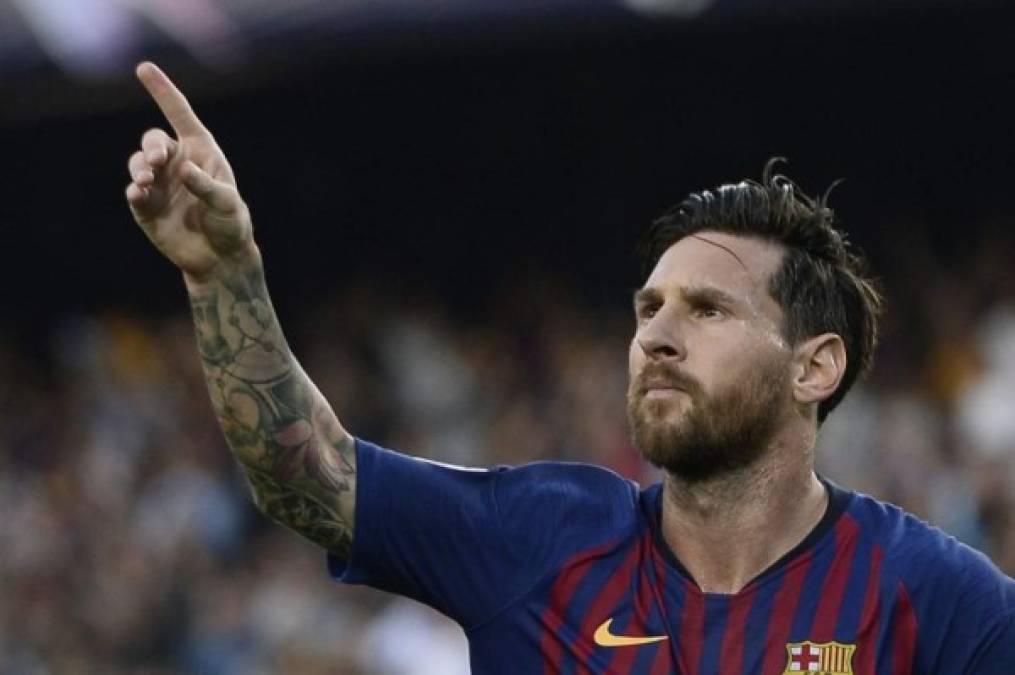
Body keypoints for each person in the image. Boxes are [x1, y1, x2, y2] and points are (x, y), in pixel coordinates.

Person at [124, 61, 1014, 674]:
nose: (657, 336)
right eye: (647, 309)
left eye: (706, 310)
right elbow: (303, 478)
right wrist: (220, 275)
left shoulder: (936, 599)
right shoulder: (540, 539)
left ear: (814, 367)